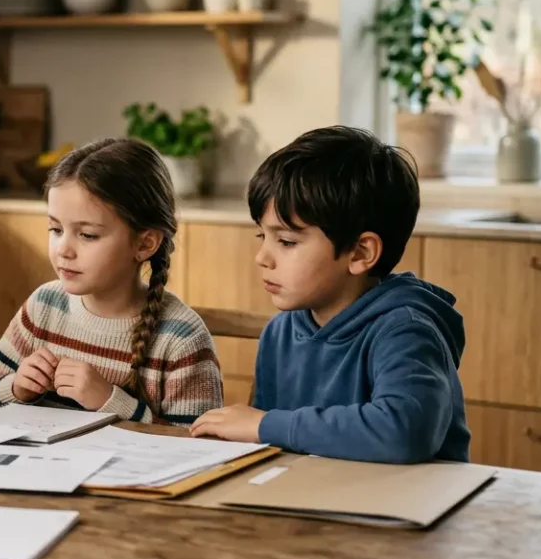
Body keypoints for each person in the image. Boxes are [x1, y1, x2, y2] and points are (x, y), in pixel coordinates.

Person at [190, 126, 470, 464]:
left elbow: (404, 431)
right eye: (261, 236)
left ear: (360, 253)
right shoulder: (280, 333)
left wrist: (265, 424)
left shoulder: (405, 330)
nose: (262, 257)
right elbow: (274, 448)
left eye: (287, 241)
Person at [0, 138, 223, 425]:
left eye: (87, 235)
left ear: (145, 243)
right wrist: (15, 387)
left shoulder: (181, 339)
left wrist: (110, 401)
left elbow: (199, 446)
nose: (63, 249)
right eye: (55, 229)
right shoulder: (43, 306)